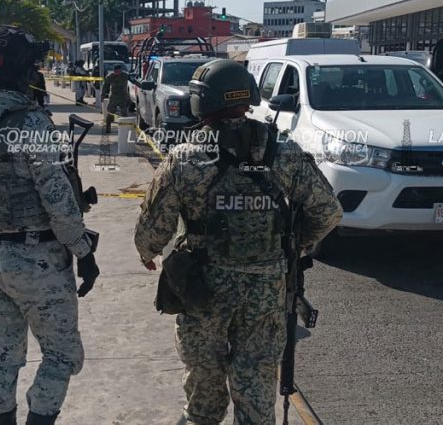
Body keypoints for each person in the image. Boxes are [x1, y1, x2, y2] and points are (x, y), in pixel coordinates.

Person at [133, 59, 343, 424]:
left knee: (204, 387)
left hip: (203, 291)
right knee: (257, 386)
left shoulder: (185, 158)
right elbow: (328, 212)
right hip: (266, 289)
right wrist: (292, 247)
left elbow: (151, 232)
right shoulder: (284, 152)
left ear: (202, 101)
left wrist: (147, 253)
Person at [0, 25, 99, 425]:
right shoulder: (31, 123)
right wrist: (84, 252)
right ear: (24, 72)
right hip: (36, 258)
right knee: (62, 354)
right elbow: (59, 202)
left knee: (4, 353)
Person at [100, 63, 129, 131]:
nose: (118, 73)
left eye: (119, 71)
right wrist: (103, 95)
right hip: (114, 97)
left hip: (123, 96)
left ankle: (125, 128)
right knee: (110, 112)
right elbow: (105, 86)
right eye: (116, 71)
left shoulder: (125, 75)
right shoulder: (110, 76)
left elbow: (134, 80)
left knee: (124, 113)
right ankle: (108, 127)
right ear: (114, 71)